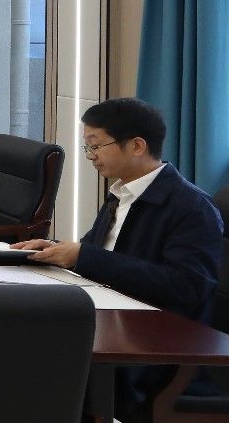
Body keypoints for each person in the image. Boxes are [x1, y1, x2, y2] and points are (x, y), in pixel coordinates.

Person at [17, 98, 222, 324]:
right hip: (109, 313)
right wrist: (55, 250)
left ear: (137, 146)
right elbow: (95, 250)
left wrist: (82, 256)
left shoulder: (193, 207)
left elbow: (187, 288)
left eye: (96, 146)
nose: (90, 155)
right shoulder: (120, 193)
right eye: (88, 147)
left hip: (158, 329)